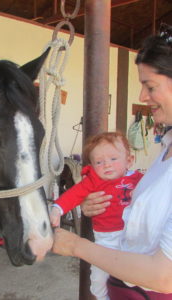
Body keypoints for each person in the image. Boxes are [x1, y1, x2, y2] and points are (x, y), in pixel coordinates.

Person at [52, 26, 172, 299]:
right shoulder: (165, 148)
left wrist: (75, 246)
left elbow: (165, 276)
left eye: (150, 86)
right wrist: (104, 203)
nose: (141, 96)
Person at [50, 131, 143, 300]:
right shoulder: (94, 181)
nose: (107, 165)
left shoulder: (139, 179)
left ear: (129, 160)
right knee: (99, 278)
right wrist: (57, 209)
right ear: (92, 166)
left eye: (113, 159)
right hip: (106, 239)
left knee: (133, 277)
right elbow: (73, 195)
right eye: (99, 162)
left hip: (134, 236)